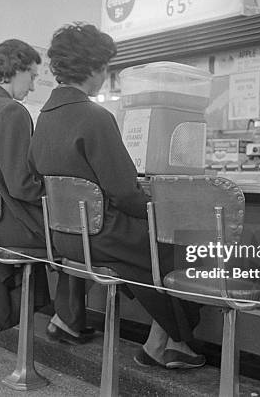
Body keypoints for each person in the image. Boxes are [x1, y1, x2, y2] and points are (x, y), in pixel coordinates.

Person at [28, 23, 205, 368]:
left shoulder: (43, 118)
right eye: (105, 67)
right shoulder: (96, 117)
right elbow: (125, 193)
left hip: (66, 238)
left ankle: (164, 342)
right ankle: (169, 342)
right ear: (94, 68)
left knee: (152, 251)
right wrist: (162, 209)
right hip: (101, 236)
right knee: (183, 247)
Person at [0, 39, 91, 340]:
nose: (33, 86)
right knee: (84, 235)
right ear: (15, 69)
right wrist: (58, 194)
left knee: (78, 234)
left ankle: (68, 318)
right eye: (32, 75)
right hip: (14, 226)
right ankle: (68, 318)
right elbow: (23, 186)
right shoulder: (11, 111)